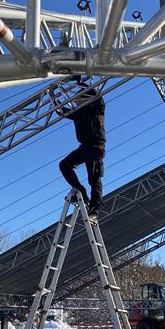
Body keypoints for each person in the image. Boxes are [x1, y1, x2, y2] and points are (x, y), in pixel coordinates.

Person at [57, 76, 106, 221]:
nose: (75, 102)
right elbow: (61, 110)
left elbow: (97, 96)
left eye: (78, 99)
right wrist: (54, 101)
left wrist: (79, 83)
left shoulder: (96, 108)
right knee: (64, 165)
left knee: (94, 179)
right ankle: (81, 193)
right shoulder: (78, 114)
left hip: (96, 147)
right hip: (84, 147)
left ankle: (94, 211)